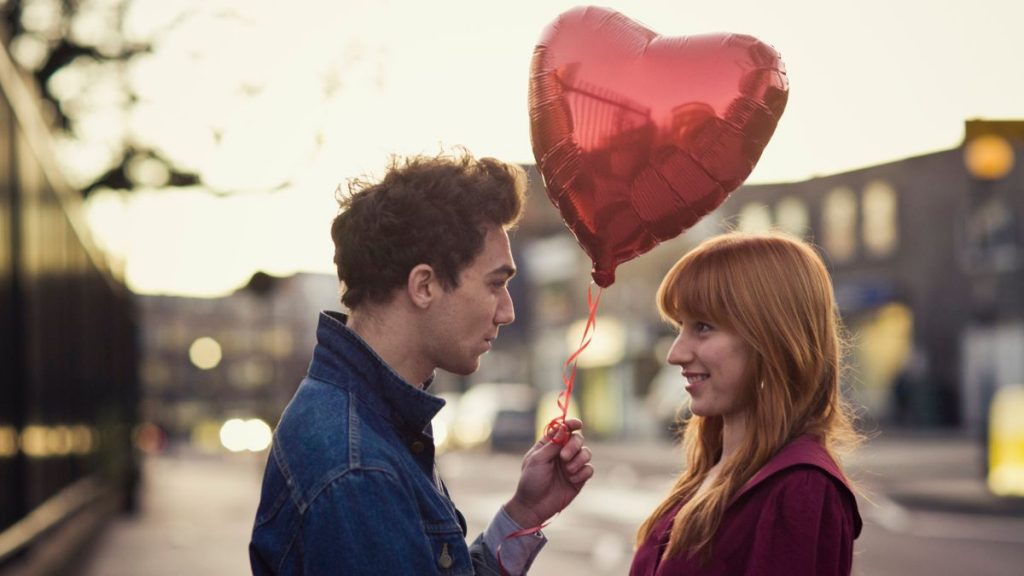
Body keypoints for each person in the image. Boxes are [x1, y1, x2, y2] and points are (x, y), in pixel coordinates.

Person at [249, 151, 594, 575]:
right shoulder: (359, 470)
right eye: (496, 284)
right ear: (424, 286)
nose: (507, 312)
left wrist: (524, 513)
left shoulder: (367, 425)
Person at [630, 231, 863, 576]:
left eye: (703, 327)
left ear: (772, 339)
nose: (675, 354)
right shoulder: (713, 472)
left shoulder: (799, 488)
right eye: (680, 326)